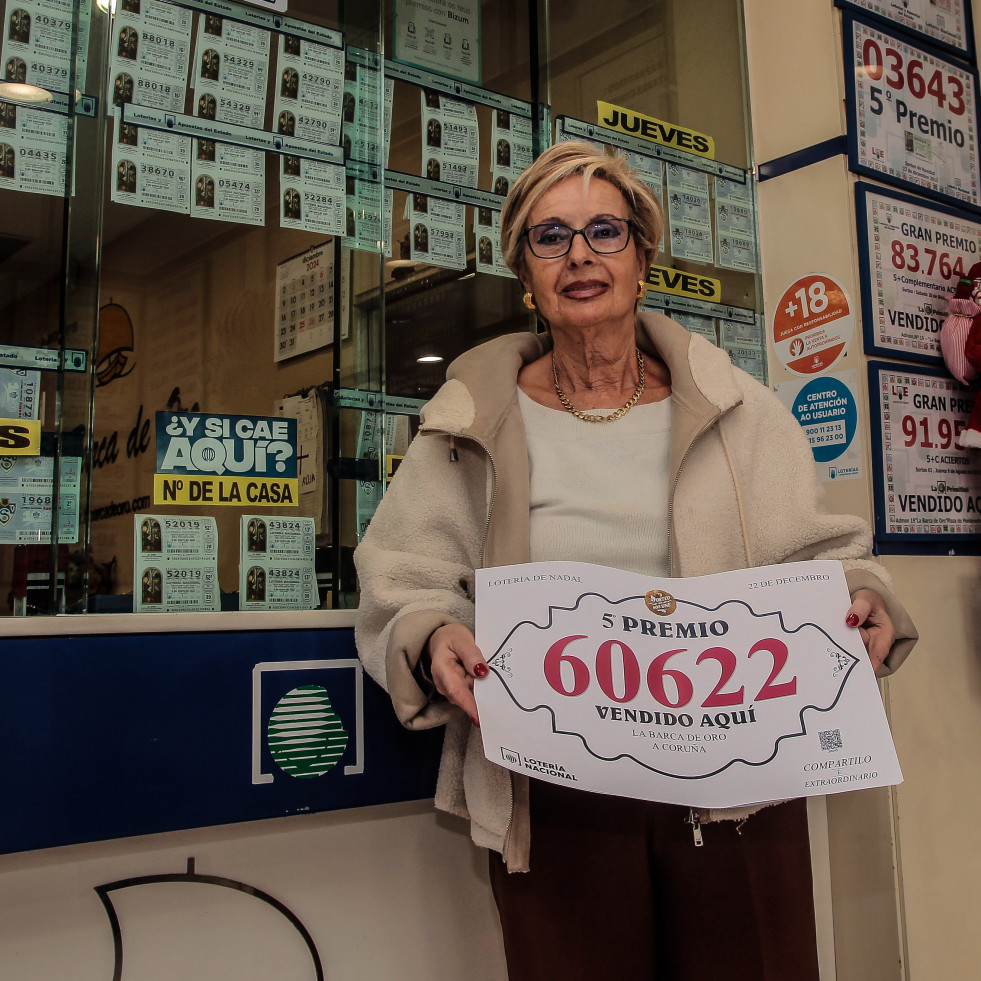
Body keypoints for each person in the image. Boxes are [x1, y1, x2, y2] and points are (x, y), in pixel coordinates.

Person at [354, 141, 918, 980]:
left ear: (642, 257)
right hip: (556, 791)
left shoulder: (739, 410)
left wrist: (863, 595)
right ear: (526, 273)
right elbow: (404, 578)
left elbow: (821, 554)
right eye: (549, 238)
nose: (578, 255)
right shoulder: (467, 422)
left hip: (739, 787)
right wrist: (434, 633)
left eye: (603, 232)